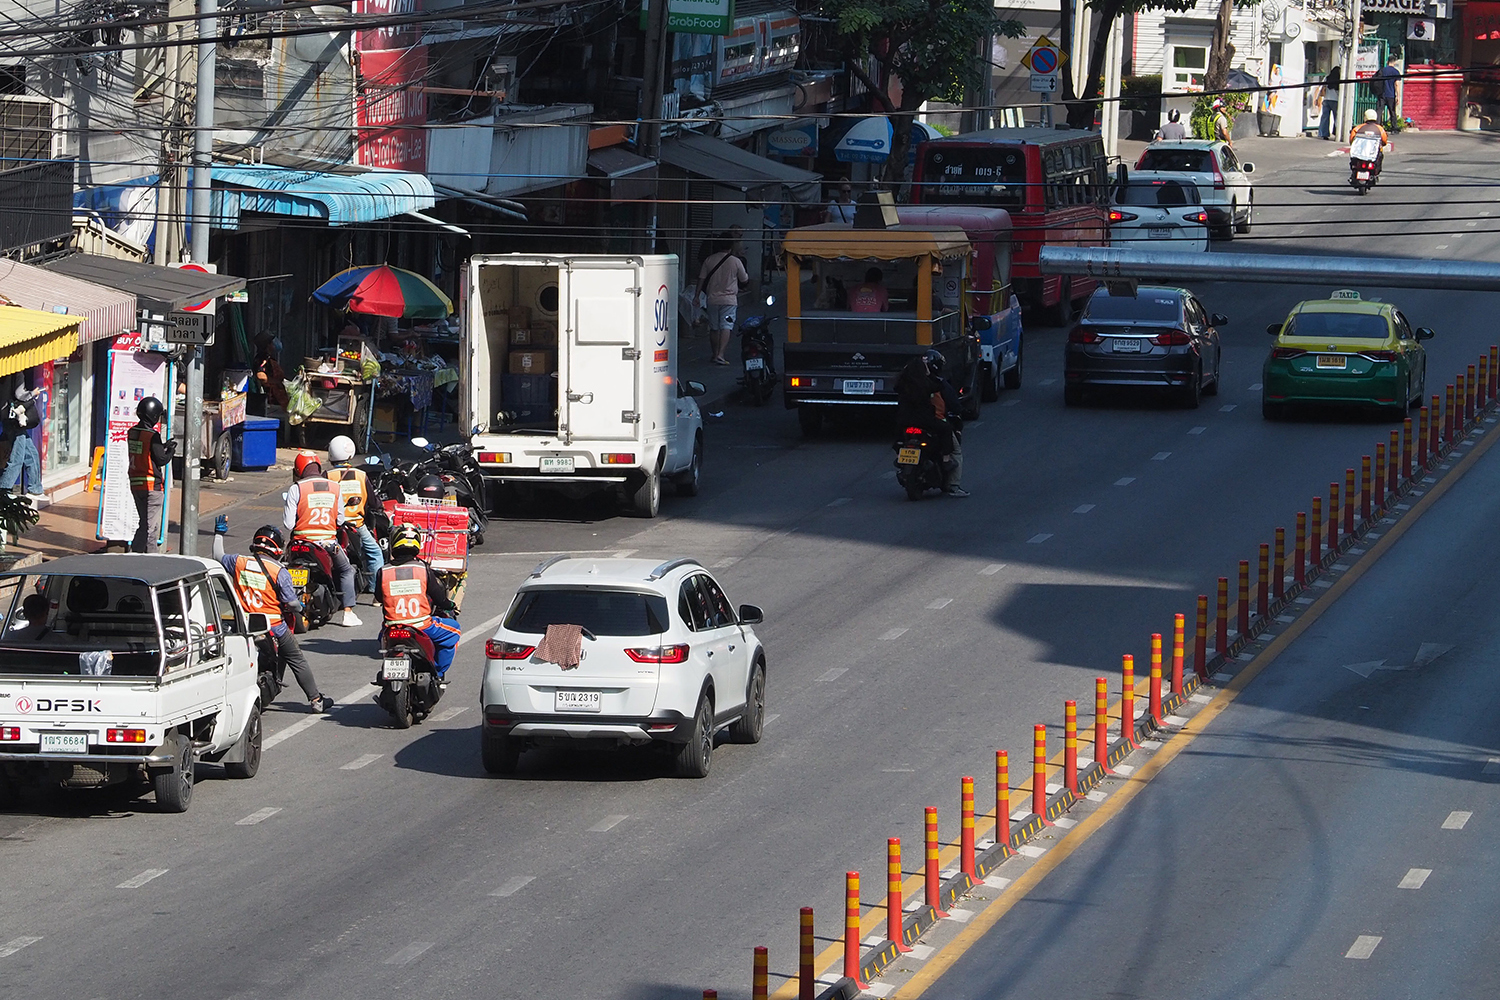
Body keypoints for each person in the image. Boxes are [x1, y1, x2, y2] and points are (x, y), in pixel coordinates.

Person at [214, 523, 334, 713]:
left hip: (243, 626)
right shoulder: (279, 571)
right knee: (296, 658)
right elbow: (291, 603)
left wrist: (219, 533)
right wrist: (300, 607)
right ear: (277, 548)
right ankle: (316, 700)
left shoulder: (239, 562)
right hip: (273, 627)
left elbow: (218, 555)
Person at [283, 451, 361, 627]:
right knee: (347, 570)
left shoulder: (296, 488)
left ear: (298, 469)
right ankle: (348, 612)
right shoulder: (334, 487)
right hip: (327, 544)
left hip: (299, 543)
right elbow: (340, 520)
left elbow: (288, 524)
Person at [377, 523, 461, 681]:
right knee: (455, 631)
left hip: (391, 627)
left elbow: (379, 597)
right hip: (422, 625)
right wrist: (450, 605)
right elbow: (438, 597)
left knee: (381, 640)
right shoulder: (422, 568)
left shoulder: (383, 571)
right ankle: (438, 673)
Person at [895, 350, 967, 497]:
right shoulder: (929, 384)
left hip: (904, 422)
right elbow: (947, 396)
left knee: (898, 439)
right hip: (926, 422)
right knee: (954, 446)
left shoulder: (903, 385)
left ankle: (900, 457)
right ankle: (952, 481)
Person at [326, 434, 383, 589]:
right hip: (356, 525)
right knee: (375, 553)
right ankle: (374, 589)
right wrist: (379, 506)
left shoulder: (327, 476)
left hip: (332, 526)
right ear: (350, 454)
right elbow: (373, 501)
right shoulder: (361, 475)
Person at [128, 396, 175, 553]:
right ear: (153, 416)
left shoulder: (132, 432)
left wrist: (162, 446)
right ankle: (140, 557)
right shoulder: (152, 435)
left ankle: (145, 555)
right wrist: (170, 451)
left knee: (147, 525)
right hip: (151, 487)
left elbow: (146, 451)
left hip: (136, 484)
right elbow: (161, 459)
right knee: (149, 527)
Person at [697, 234, 749, 366]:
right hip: (729, 300)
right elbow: (744, 280)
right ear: (731, 246)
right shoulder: (736, 261)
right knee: (726, 326)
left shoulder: (709, 260)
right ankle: (721, 354)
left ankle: (714, 354)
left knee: (714, 327)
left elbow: (701, 279)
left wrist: (696, 296)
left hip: (712, 299)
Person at [0, 384, 43, 500]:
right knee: (17, 457)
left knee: (31, 454)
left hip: (9, 417)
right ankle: (4, 489)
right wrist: (34, 393)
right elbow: (20, 394)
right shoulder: (16, 372)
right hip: (14, 419)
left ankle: (35, 488)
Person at [252, 336, 289, 409]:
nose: (274, 344)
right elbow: (260, 376)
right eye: (272, 343)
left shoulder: (269, 357)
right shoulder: (262, 359)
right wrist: (276, 382)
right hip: (270, 399)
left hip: (278, 397)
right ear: (267, 345)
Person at [1374, 56, 1401, 128]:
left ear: (1387, 62)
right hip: (1391, 95)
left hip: (1382, 94)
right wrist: (1398, 96)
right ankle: (1394, 128)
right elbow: (1397, 84)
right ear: (1394, 62)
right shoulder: (1396, 72)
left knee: (1379, 111)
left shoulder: (1382, 70)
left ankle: (1378, 126)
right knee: (1392, 112)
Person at [1318, 65, 1341, 140]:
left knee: (1325, 117)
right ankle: (1338, 133)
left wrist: (1318, 98)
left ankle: (1324, 133)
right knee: (1337, 118)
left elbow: (1322, 87)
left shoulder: (1327, 77)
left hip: (1326, 100)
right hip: (1335, 100)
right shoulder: (1339, 79)